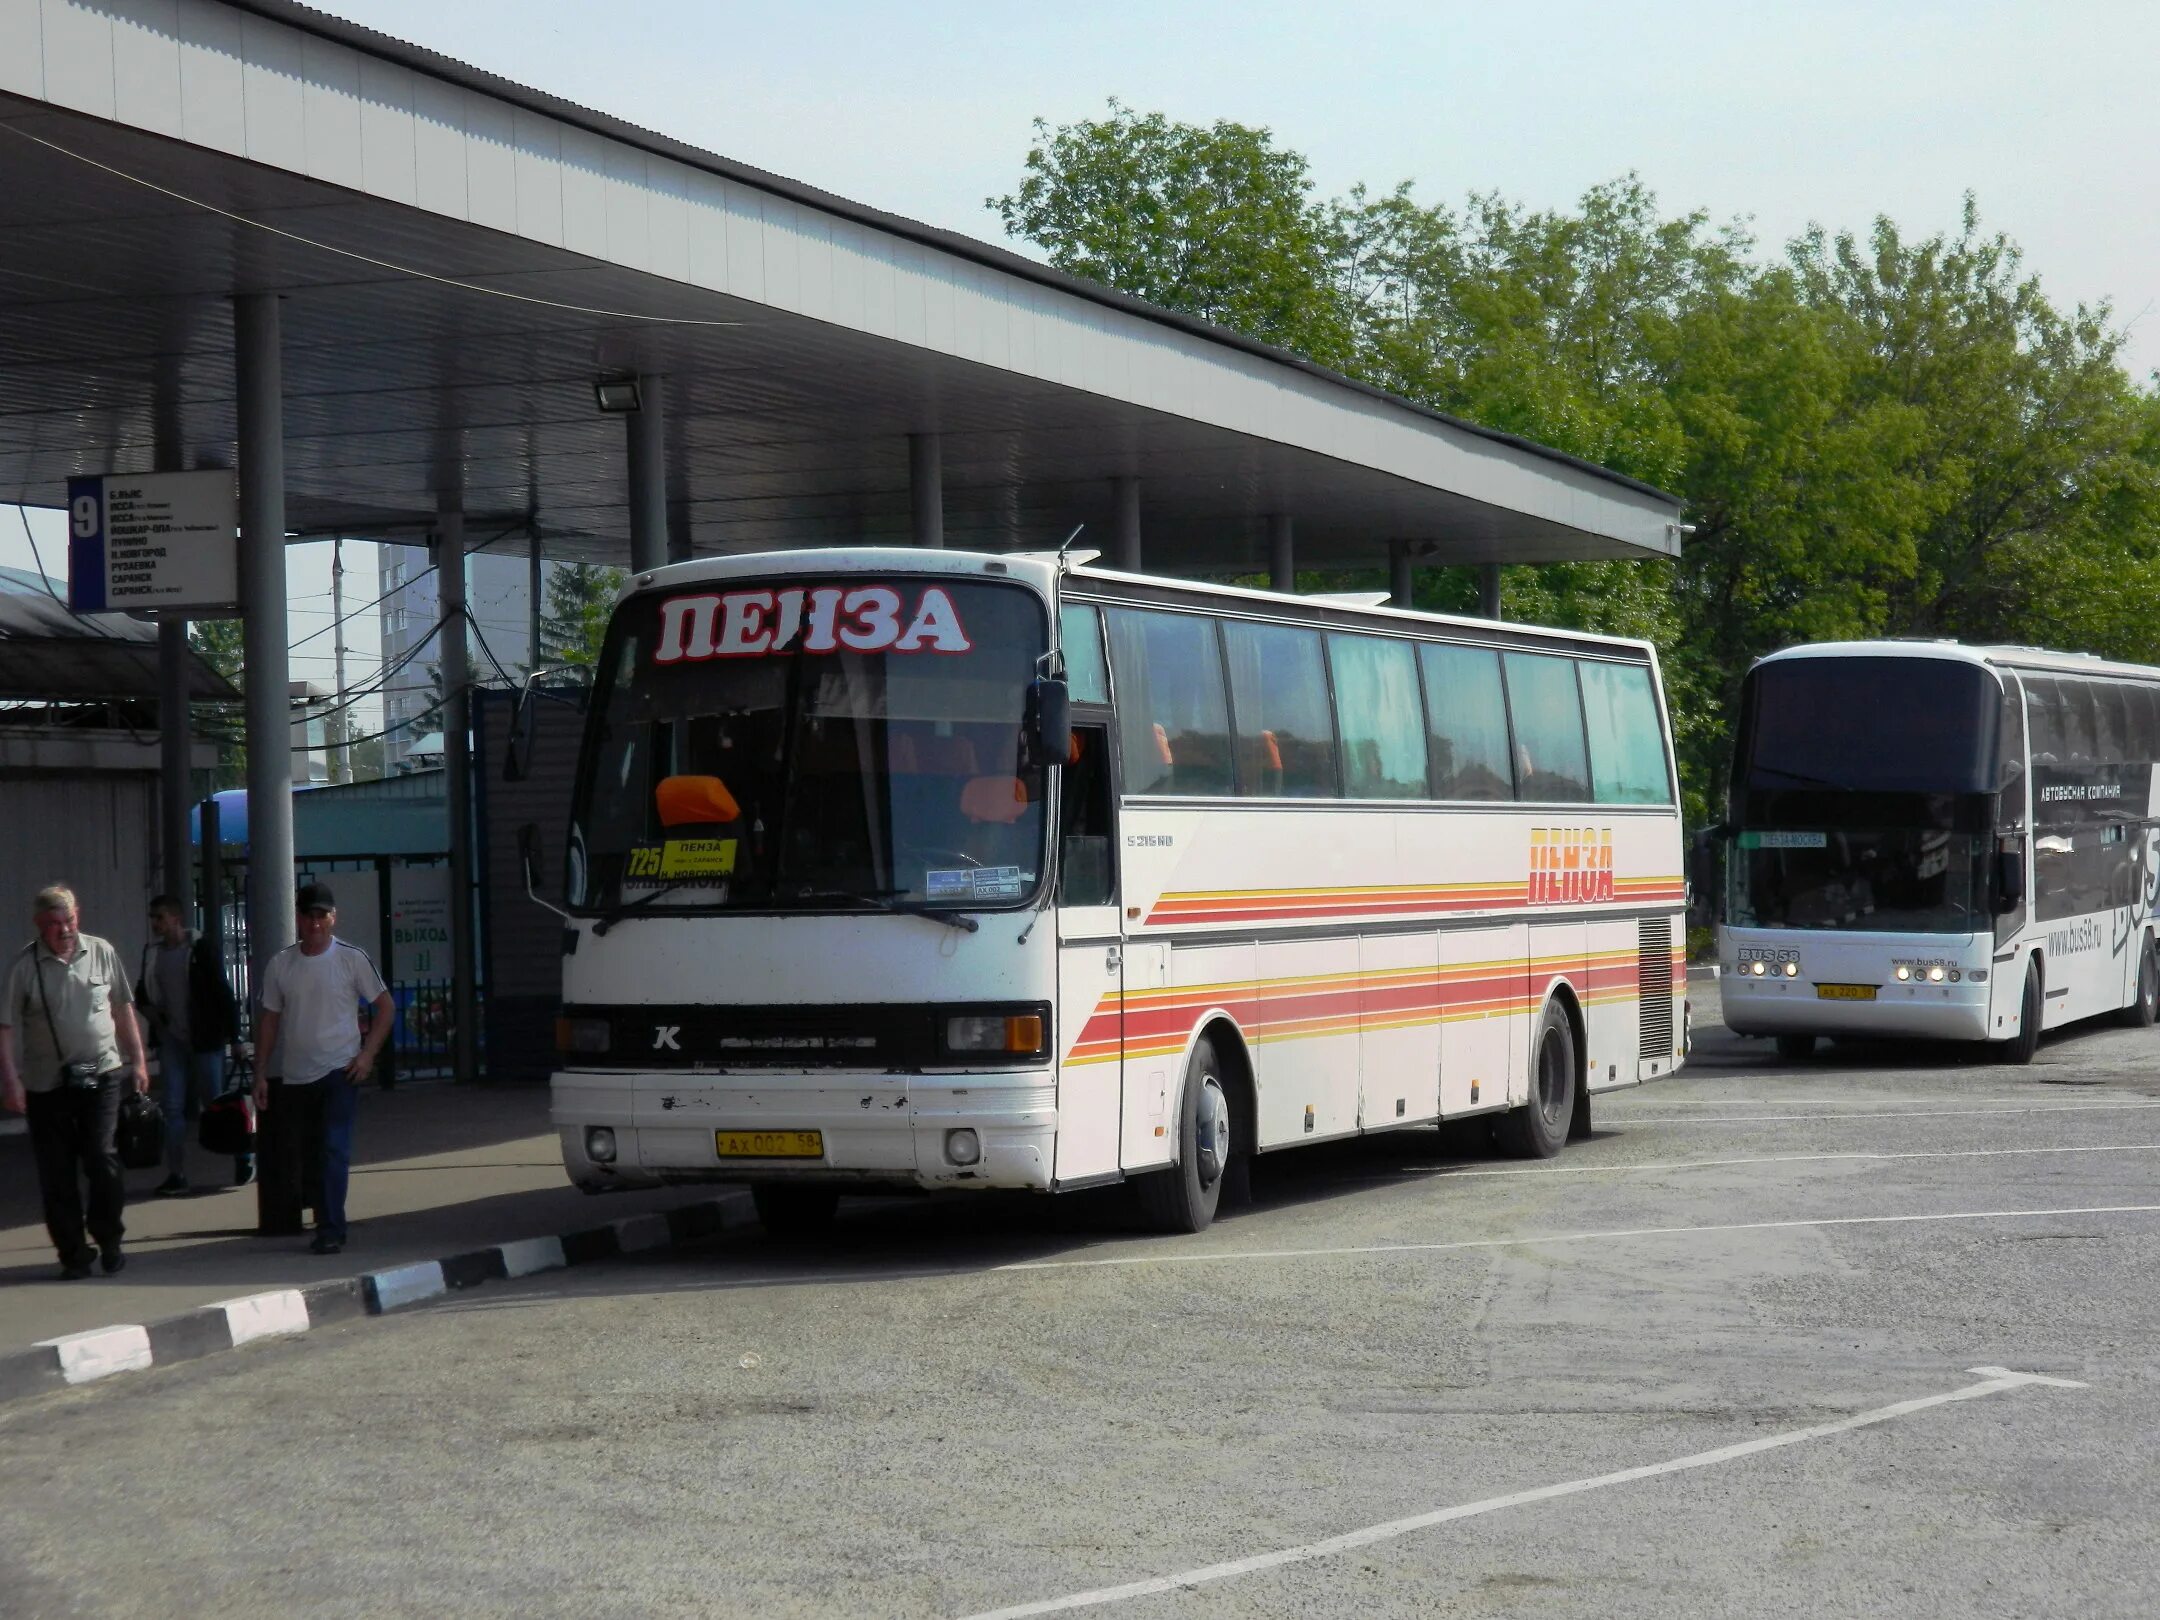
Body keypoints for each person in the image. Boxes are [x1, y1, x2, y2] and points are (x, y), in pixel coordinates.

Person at [0, 885, 151, 1279]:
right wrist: (11, 1081)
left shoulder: (101, 951)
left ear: (77, 916)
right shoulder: (24, 967)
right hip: (46, 1085)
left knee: (102, 1158)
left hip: (102, 1076)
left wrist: (137, 1060)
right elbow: (6, 1028)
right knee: (57, 1173)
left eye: (68, 920)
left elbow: (122, 1007)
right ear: (38, 925)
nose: (63, 930)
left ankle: (110, 1239)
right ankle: (73, 1253)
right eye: (53, 924)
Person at [253, 882, 393, 1256]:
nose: (314, 922)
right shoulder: (282, 964)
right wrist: (261, 1072)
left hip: (339, 1070)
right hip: (298, 1075)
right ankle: (322, 1216)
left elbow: (385, 1007)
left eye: (321, 915)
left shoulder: (350, 958)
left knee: (333, 1148)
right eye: (307, 915)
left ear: (333, 918)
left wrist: (366, 1056)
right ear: (297, 918)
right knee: (309, 1152)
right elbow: (270, 1019)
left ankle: (331, 1227)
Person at [137, 894, 252, 1194]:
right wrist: (156, 1018)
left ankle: (244, 1155)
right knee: (173, 1107)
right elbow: (142, 994)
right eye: (153, 918)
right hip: (172, 1041)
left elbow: (222, 992)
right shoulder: (152, 954)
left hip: (205, 1039)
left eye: (159, 917)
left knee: (216, 1103)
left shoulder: (200, 949)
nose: (155, 924)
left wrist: (235, 1036)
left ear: (176, 918)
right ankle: (176, 1174)